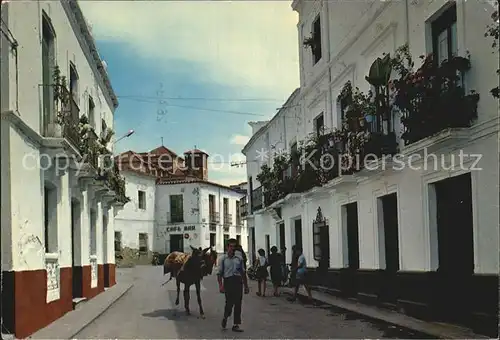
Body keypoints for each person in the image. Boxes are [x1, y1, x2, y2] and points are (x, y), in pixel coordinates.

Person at [217, 238, 249, 332]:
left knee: (238, 303)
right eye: (231, 246)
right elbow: (219, 274)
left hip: (238, 281)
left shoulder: (239, 259)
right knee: (229, 303)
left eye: (234, 247)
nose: (232, 249)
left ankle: (236, 324)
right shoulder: (223, 259)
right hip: (228, 282)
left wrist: (246, 286)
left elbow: (243, 272)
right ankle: (225, 317)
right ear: (227, 247)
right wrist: (221, 286)